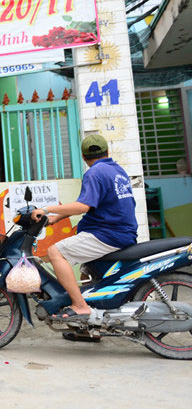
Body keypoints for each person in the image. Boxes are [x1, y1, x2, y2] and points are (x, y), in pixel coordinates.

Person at [31, 134, 137, 321]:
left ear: (83, 156)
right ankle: (88, 327)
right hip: (120, 232)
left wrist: (46, 208)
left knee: (56, 252)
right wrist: (55, 218)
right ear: (107, 152)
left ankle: (80, 306)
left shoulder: (94, 173)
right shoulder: (117, 171)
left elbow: (83, 206)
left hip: (108, 234)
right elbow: (89, 203)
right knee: (86, 274)